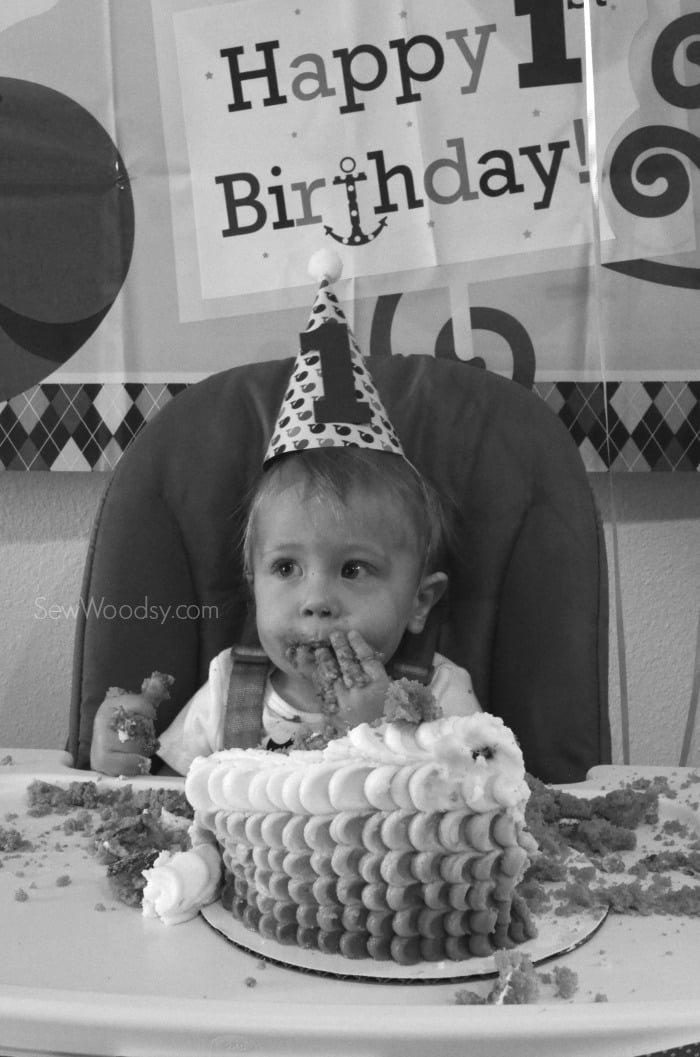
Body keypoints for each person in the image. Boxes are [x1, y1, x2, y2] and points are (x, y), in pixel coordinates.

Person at [89, 447, 480, 776]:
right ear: (254, 587)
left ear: (420, 602)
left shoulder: (442, 694)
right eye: (286, 568)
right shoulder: (229, 688)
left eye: (353, 570)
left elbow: (483, 803)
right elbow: (177, 806)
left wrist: (382, 731)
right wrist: (122, 759)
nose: (316, 601)